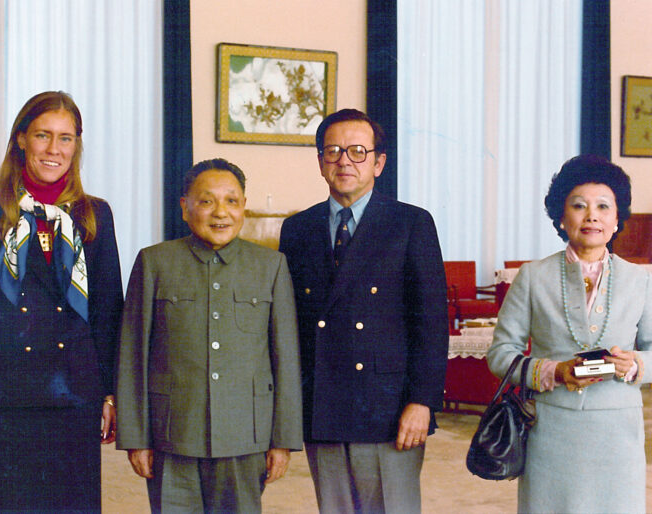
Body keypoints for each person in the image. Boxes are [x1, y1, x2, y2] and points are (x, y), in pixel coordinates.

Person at [0, 91, 124, 512]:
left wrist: (111, 395)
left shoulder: (94, 214)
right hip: (0, 394)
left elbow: (107, 311)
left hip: (73, 393)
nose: (54, 149)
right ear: (21, 139)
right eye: (43, 135)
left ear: (76, 145)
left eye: (65, 138)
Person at [278, 109, 449, 513]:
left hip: (389, 407)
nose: (345, 161)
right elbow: (290, 325)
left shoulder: (411, 223)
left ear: (378, 162)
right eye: (333, 151)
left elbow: (431, 322)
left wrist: (422, 401)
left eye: (358, 151)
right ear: (320, 161)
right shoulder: (297, 229)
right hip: (323, 402)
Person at [116, 158, 303, 513]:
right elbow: (132, 354)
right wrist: (135, 437)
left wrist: (284, 439)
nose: (221, 212)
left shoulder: (270, 266)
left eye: (232, 201)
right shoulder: (155, 262)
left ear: (243, 207)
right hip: (172, 433)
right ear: (185, 207)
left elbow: (286, 358)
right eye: (207, 201)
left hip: (245, 436)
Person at [487, 154, 652, 513]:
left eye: (603, 206)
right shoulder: (532, 277)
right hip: (552, 432)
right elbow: (500, 353)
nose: (592, 215)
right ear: (561, 217)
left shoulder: (641, 279)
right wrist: (553, 371)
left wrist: (637, 362)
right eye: (579, 205)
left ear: (617, 219)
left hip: (618, 436)